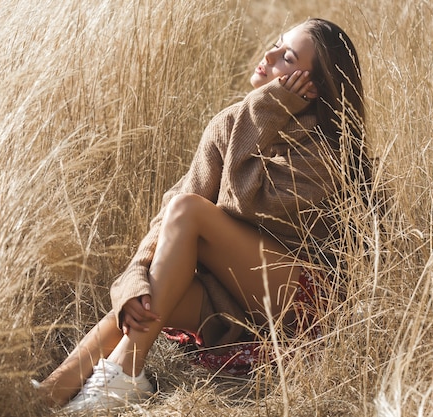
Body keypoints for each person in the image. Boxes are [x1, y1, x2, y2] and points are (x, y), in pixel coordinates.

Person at [32, 17, 371, 413]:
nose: (268, 55)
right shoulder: (231, 123)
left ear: (311, 88)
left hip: (300, 304)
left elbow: (243, 201)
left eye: (287, 57)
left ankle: (125, 372)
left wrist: (265, 107)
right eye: (277, 44)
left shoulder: (326, 148)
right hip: (235, 301)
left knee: (190, 214)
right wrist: (134, 279)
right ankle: (49, 394)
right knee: (147, 300)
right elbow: (172, 211)